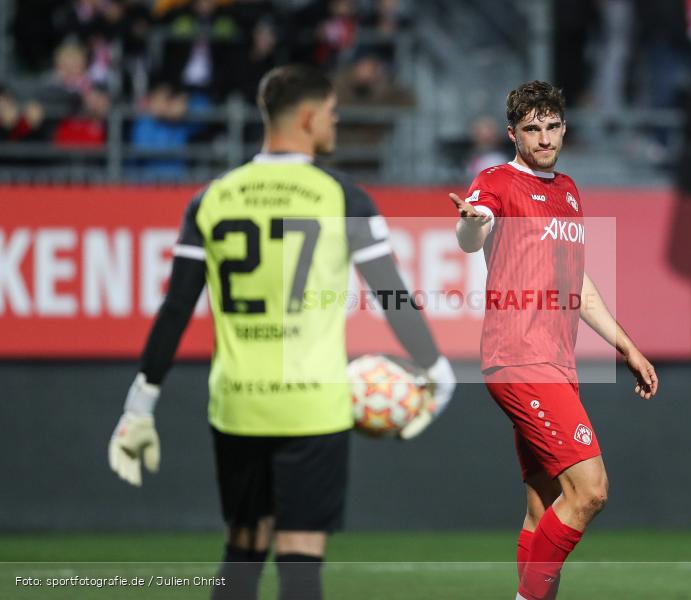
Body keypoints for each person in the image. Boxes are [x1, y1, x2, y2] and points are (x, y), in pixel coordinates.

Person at [108, 64, 456, 600]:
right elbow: (390, 295)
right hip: (312, 405)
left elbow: (176, 307)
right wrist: (437, 371)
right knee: (300, 559)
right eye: (333, 115)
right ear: (311, 117)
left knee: (243, 550)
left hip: (238, 404)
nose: (336, 124)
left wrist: (139, 404)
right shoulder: (343, 197)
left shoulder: (212, 199)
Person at [449, 81, 658, 600]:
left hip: (555, 362)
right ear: (513, 134)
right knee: (590, 492)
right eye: (531, 129)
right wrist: (472, 226)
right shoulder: (497, 180)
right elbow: (474, 229)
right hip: (520, 359)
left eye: (551, 126)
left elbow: (577, 285)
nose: (543, 138)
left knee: (544, 506)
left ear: (563, 127)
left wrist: (626, 347)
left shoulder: (567, 191)